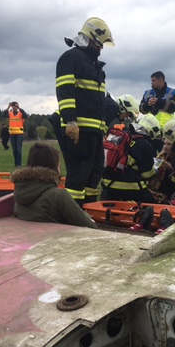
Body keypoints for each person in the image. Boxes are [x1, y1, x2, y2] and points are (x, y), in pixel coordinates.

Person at [56, 17, 113, 206]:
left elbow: (97, 101)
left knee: (94, 173)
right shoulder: (71, 57)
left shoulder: (93, 64)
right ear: (91, 38)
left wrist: (102, 128)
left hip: (94, 131)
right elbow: (65, 90)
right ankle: (72, 214)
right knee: (79, 175)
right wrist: (70, 121)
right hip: (79, 129)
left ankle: (87, 212)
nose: (101, 48)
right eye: (100, 43)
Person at [10, 141, 97, 228]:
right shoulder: (58, 196)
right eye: (58, 165)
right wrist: (87, 216)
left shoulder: (19, 193)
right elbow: (90, 227)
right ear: (53, 167)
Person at [100, 114, 159, 203]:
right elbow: (147, 175)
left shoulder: (123, 137)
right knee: (152, 202)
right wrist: (156, 171)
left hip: (106, 183)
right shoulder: (144, 145)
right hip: (129, 187)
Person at [2, 101, 28, 167]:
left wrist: (19, 108)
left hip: (19, 134)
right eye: (13, 106)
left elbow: (26, 115)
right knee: (14, 149)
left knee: (18, 149)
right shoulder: (10, 114)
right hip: (12, 134)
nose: (14, 108)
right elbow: (3, 115)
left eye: (15, 106)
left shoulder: (21, 114)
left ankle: (19, 163)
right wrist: (8, 108)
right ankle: (16, 163)